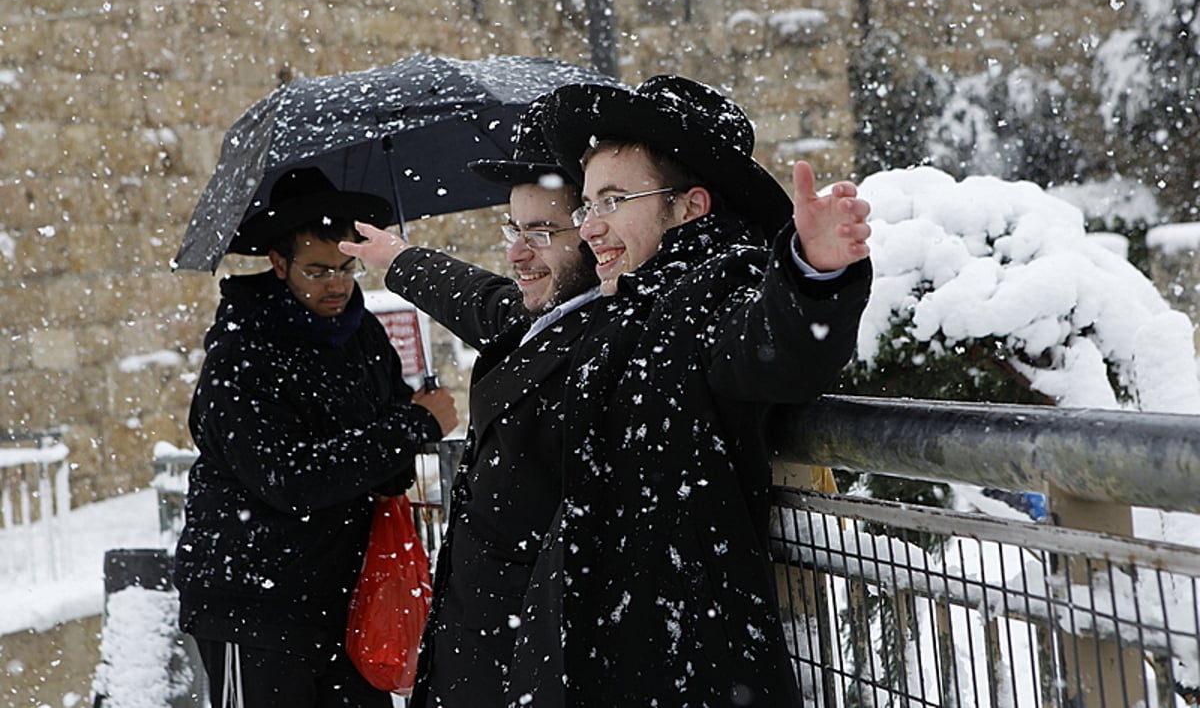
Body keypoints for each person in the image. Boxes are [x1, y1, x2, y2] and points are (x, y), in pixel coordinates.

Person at [505, 74, 873, 707]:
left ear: (690, 206)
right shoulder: (625, 302)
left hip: (682, 669)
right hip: (611, 657)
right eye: (587, 205)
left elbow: (774, 348)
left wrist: (813, 273)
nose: (590, 227)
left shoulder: (715, 287)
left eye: (614, 200)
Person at [339, 116, 601, 707]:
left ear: (595, 231)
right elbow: (479, 299)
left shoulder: (607, 337)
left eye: (541, 232)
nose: (516, 252)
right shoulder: (539, 313)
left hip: (528, 658)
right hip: (475, 639)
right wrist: (399, 258)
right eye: (513, 227)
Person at [173, 167, 458, 708]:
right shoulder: (242, 353)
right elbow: (289, 479)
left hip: (347, 598)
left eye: (348, 269)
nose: (337, 285)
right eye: (318, 269)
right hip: (254, 607)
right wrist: (414, 425)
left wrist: (413, 418)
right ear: (279, 264)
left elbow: (387, 468)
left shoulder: (363, 334)